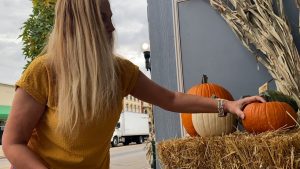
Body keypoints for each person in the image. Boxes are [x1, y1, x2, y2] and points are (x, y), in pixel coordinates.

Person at [2, 0, 265, 168]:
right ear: (81, 26)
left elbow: (171, 100)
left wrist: (227, 105)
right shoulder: (43, 72)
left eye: (111, 17)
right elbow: (12, 143)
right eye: (103, 18)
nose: (112, 28)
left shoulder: (119, 72)